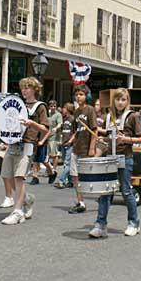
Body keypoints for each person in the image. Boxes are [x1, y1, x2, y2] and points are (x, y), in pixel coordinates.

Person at [89, 87, 141, 238]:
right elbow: (108, 136)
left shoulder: (133, 116)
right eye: (118, 99)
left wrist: (126, 139)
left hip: (125, 157)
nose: (120, 102)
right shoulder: (108, 116)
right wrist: (101, 140)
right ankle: (100, 225)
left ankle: (134, 223)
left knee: (126, 191)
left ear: (127, 101)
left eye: (123, 99)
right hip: (110, 157)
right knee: (105, 192)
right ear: (113, 100)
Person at [0, 77, 46, 224]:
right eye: (23, 87)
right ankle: (26, 199)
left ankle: (18, 211)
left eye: (27, 87)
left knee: (19, 177)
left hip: (28, 144)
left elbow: (45, 129)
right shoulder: (18, 105)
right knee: (7, 175)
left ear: (34, 90)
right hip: (13, 143)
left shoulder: (39, 107)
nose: (24, 90)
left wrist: (32, 123)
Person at [68, 85, 96, 214]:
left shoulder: (90, 110)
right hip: (76, 147)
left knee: (89, 176)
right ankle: (81, 202)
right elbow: (75, 130)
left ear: (87, 96)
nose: (79, 97)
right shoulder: (76, 112)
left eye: (81, 94)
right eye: (77, 94)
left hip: (86, 148)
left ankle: (101, 198)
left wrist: (91, 148)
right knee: (75, 176)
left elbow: (94, 130)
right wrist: (71, 140)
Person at [54, 103, 76, 189]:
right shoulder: (64, 118)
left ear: (68, 109)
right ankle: (70, 182)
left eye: (64, 108)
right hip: (63, 143)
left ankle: (61, 181)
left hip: (70, 144)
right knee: (66, 163)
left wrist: (71, 141)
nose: (63, 109)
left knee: (67, 163)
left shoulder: (72, 119)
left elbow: (75, 132)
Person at [46, 100, 63, 177]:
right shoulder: (47, 114)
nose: (53, 107)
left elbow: (60, 123)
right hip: (46, 136)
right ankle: (48, 170)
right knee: (47, 155)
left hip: (54, 136)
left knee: (54, 154)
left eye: (54, 106)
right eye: (51, 106)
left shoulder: (58, 114)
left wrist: (56, 128)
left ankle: (54, 169)